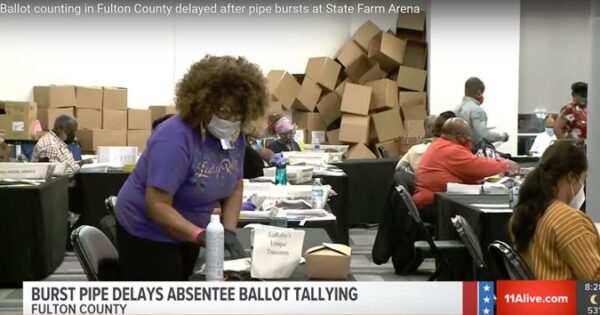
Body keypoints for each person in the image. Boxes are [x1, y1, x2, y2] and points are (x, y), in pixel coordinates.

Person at [115, 55, 268, 281]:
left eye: (238, 113)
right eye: (224, 111)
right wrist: (199, 236)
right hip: (147, 231)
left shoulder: (234, 136)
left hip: (192, 228)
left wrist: (228, 231)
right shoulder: (174, 139)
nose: (231, 120)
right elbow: (157, 204)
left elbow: (235, 186)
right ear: (203, 103)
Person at [509, 141, 596, 280]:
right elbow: (594, 281)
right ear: (571, 177)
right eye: (583, 179)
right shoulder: (570, 221)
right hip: (569, 300)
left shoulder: (526, 212)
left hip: (539, 297)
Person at [412, 118, 519, 221]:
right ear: (459, 136)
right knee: (487, 218)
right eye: (467, 136)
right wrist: (505, 164)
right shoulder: (450, 149)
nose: (470, 139)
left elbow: (468, 166)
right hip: (435, 205)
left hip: (433, 201)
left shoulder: (439, 145)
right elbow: (478, 167)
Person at [454, 77, 509, 148]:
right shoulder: (477, 110)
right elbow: (484, 135)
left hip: (457, 151)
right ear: (479, 93)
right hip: (472, 152)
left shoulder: (455, 109)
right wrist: (502, 136)